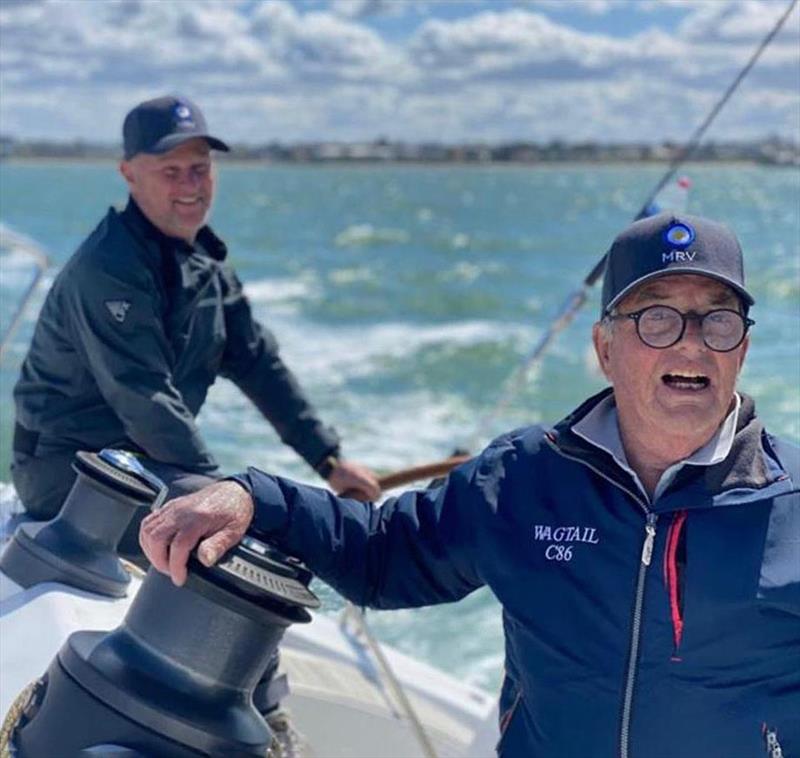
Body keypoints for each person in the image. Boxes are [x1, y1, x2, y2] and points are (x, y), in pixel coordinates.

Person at [141, 213, 800, 758]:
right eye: (658, 318)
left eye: (717, 320)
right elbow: (381, 556)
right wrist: (253, 496)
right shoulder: (523, 478)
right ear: (605, 348)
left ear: (740, 350)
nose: (692, 345)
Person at [11, 94, 380, 758]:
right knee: (236, 538)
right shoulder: (109, 266)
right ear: (129, 174)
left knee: (258, 536)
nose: (191, 185)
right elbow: (145, 397)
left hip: (141, 462)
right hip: (72, 476)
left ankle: (263, 720)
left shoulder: (206, 265)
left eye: (201, 169)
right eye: (171, 170)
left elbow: (259, 363)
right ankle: (252, 725)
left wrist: (328, 460)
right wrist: (219, 497)